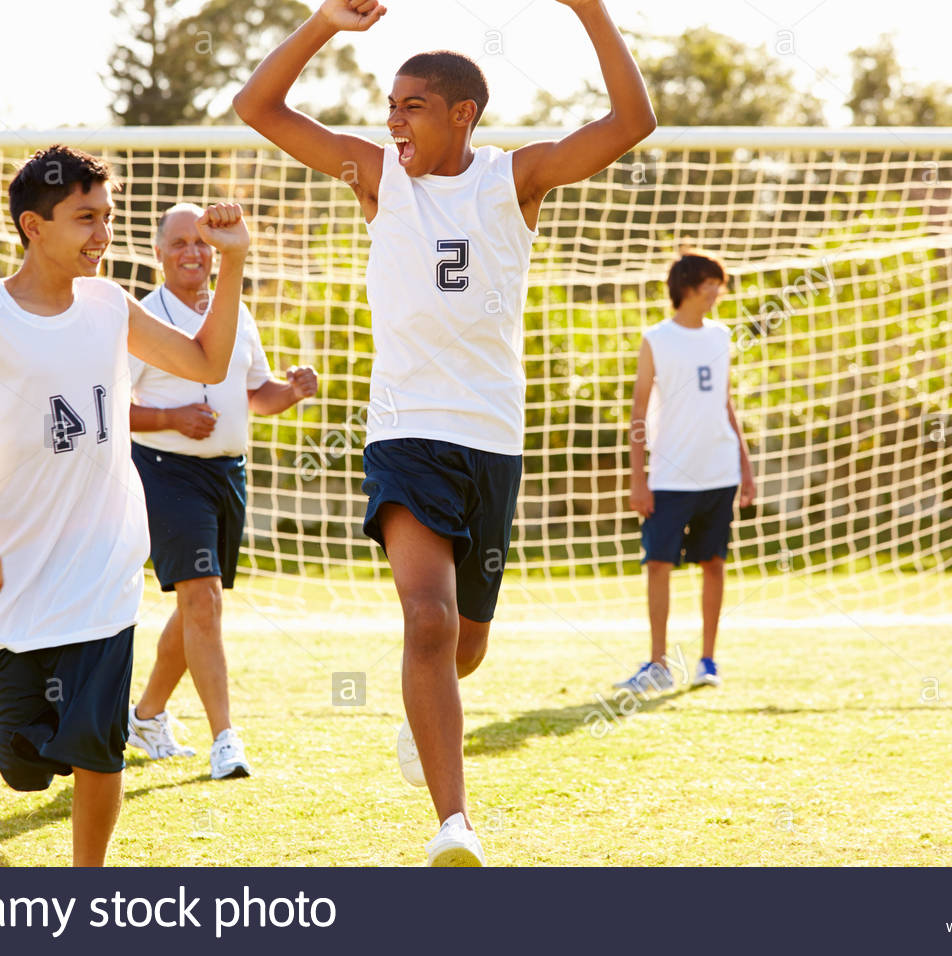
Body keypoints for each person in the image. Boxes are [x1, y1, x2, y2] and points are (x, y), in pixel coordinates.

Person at [233, 0, 656, 865]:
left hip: (493, 439)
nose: (392, 122)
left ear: (463, 114)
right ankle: (454, 825)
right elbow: (258, 109)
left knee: (465, 644)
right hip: (405, 433)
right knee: (426, 622)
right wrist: (323, 25)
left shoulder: (514, 179)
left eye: (412, 106)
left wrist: (590, 11)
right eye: (389, 106)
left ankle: (423, 720)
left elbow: (633, 121)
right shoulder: (376, 177)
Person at [0, 145, 249, 866]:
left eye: (108, 218)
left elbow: (208, 364)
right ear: (34, 225)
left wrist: (234, 261)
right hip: (14, 574)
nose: (103, 235)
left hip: (104, 566)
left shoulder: (109, 305)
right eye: (86, 219)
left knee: (97, 742)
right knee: (22, 759)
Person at [125, 202, 318, 779]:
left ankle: (145, 715)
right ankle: (225, 741)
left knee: (198, 606)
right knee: (203, 597)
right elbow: (109, 407)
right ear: (158, 252)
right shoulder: (143, 318)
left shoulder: (238, 313)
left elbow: (257, 394)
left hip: (228, 473)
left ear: (217, 252)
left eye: (203, 242)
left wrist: (292, 391)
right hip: (165, 469)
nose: (192, 251)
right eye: (179, 242)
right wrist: (173, 417)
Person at [620, 252, 756, 696]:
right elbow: (639, 411)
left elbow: (726, 402)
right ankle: (658, 663)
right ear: (692, 287)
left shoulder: (721, 336)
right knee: (659, 564)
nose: (719, 291)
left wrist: (746, 464)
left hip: (718, 471)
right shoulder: (656, 339)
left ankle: (707, 660)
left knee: (713, 563)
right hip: (669, 475)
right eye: (713, 283)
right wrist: (638, 478)